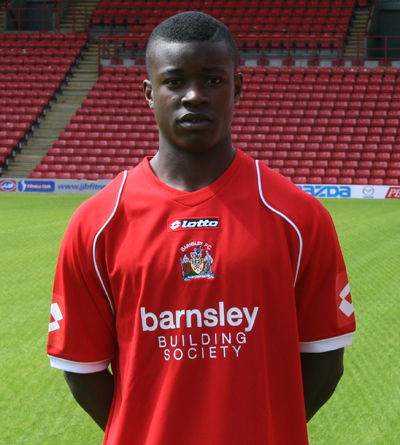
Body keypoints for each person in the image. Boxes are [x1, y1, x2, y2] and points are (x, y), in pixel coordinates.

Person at [47, 11, 356, 444]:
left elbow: (325, 361)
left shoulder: (298, 216)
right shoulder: (97, 223)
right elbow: (82, 372)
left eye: (213, 80)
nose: (194, 96)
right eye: (174, 81)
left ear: (238, 88)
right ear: (149, 94)